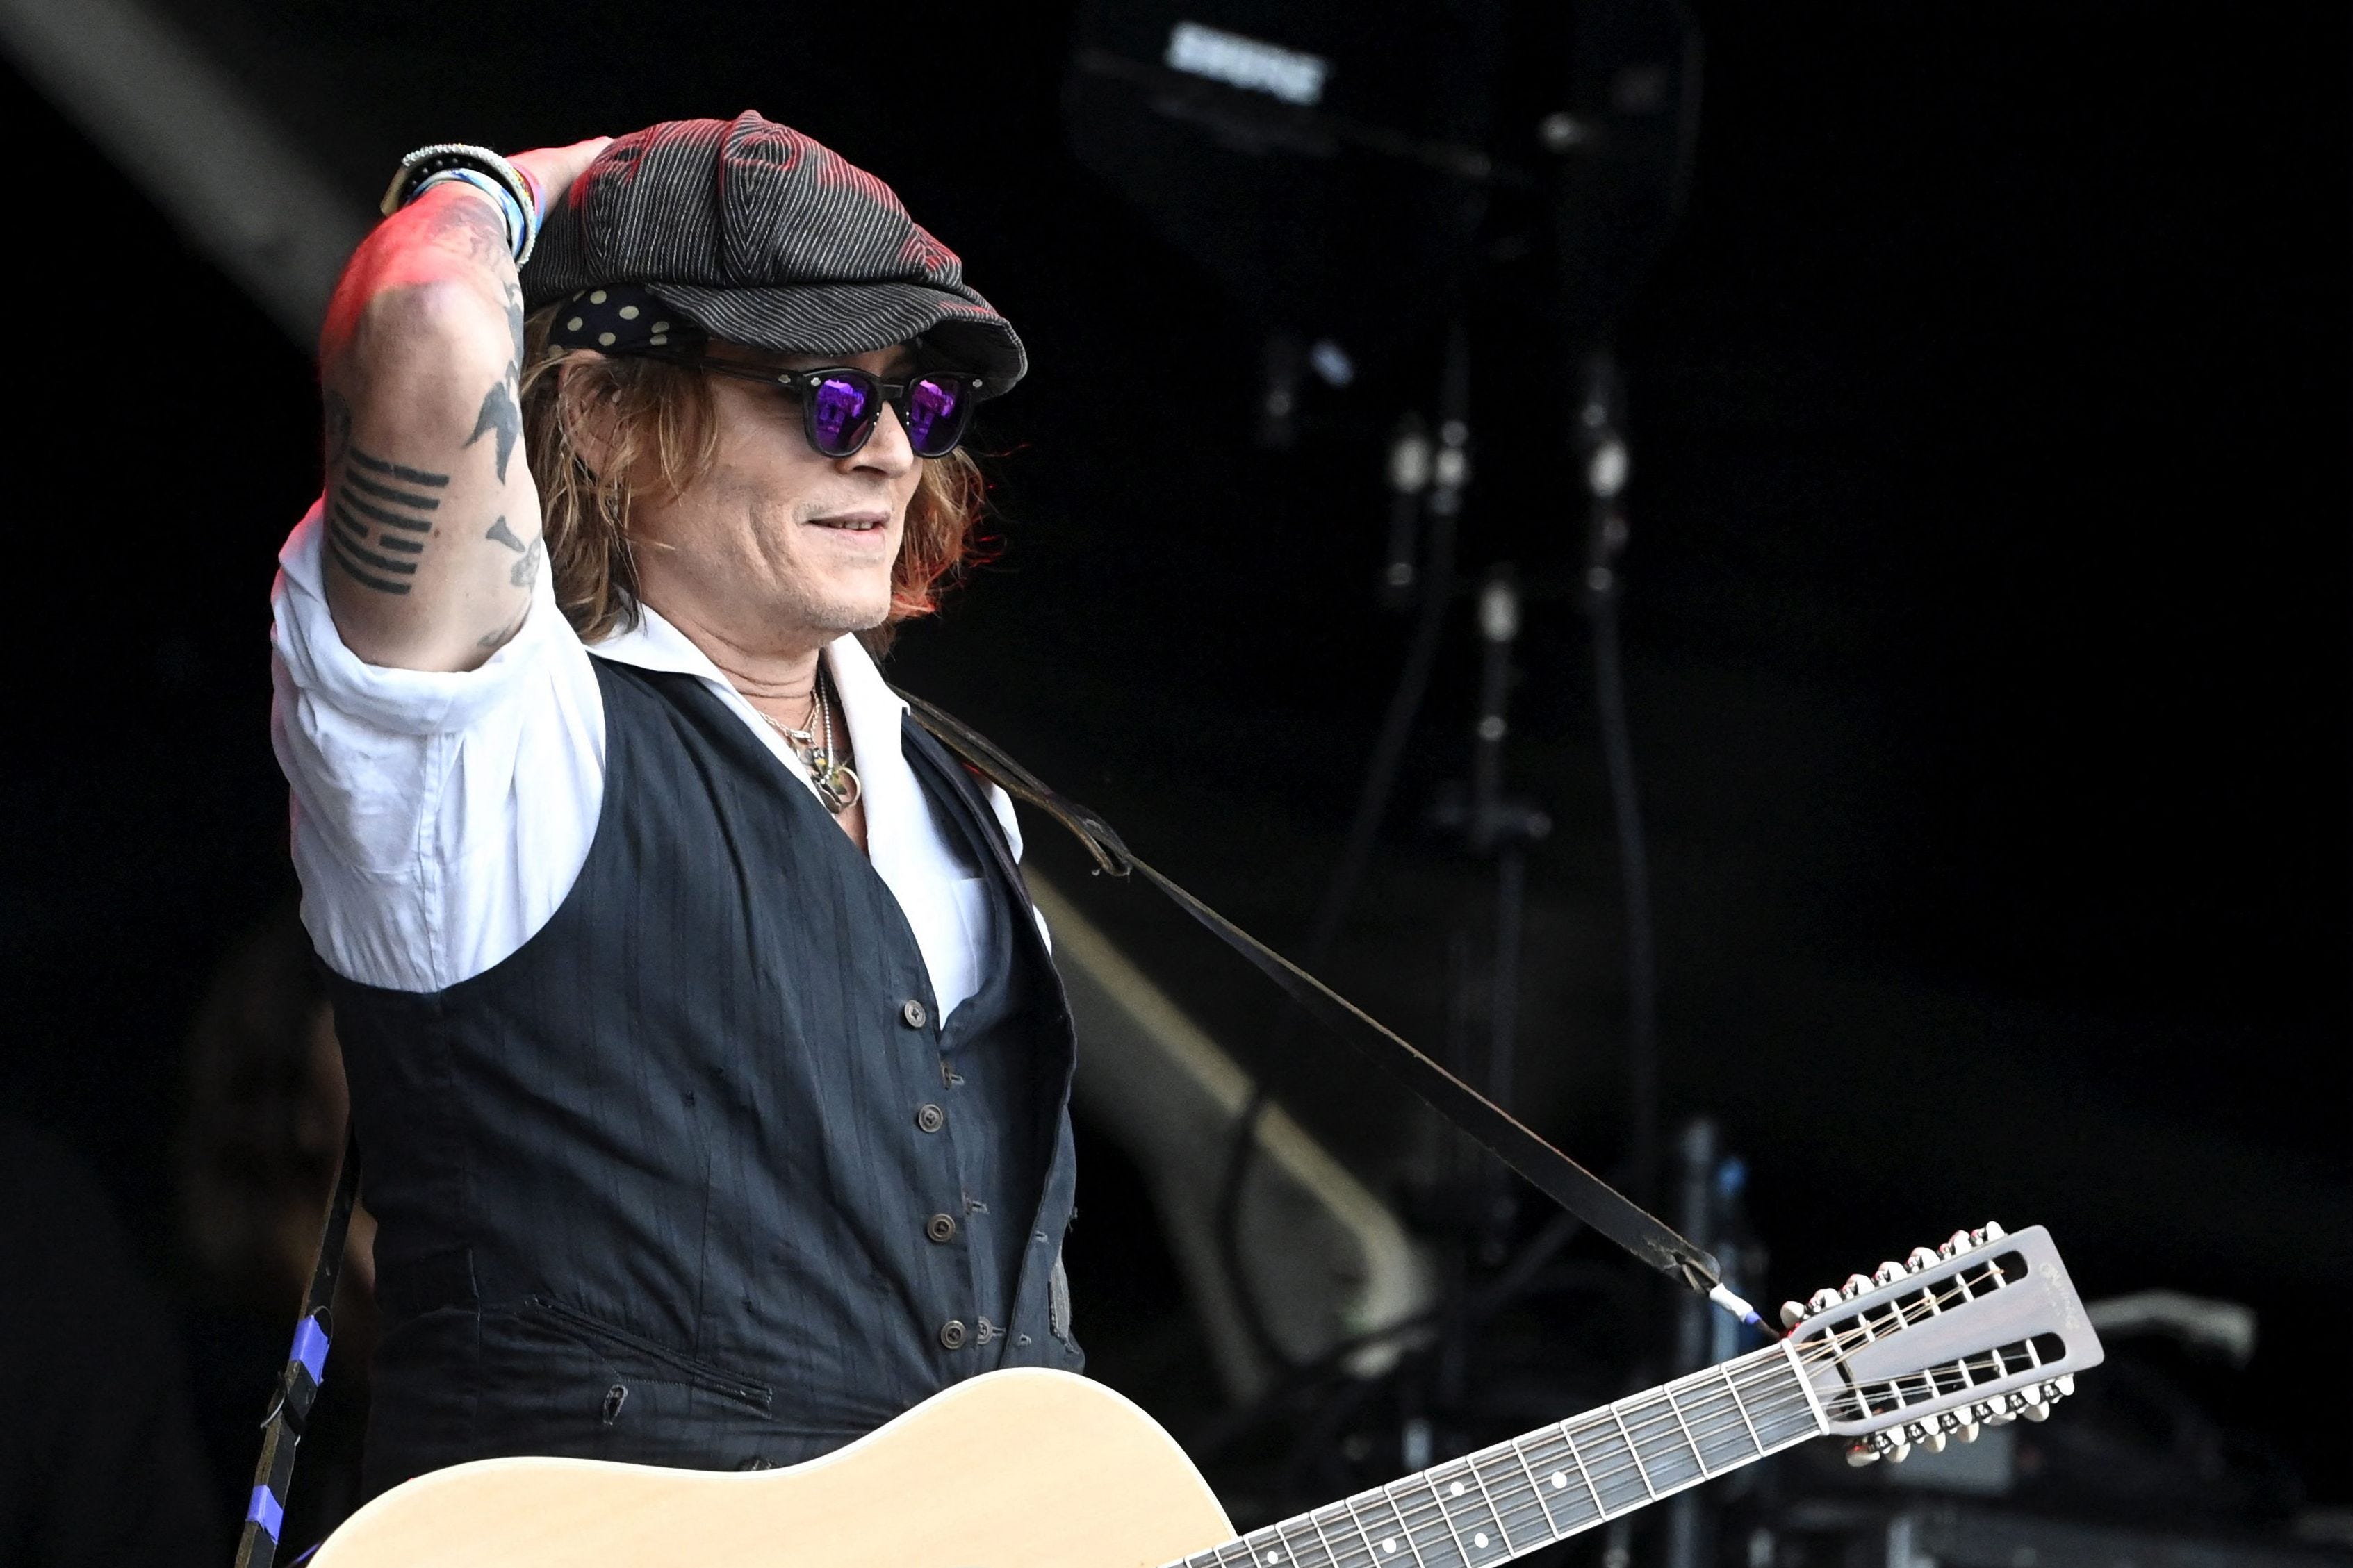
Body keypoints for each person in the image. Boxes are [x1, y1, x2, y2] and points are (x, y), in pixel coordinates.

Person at [271, 113, 1081, 1500]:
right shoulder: (493, 756)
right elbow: (418, 325)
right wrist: (515, 179)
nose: (887, 451)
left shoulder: (964, 819)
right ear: (602, 409)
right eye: (826, 394)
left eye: (920, 402)